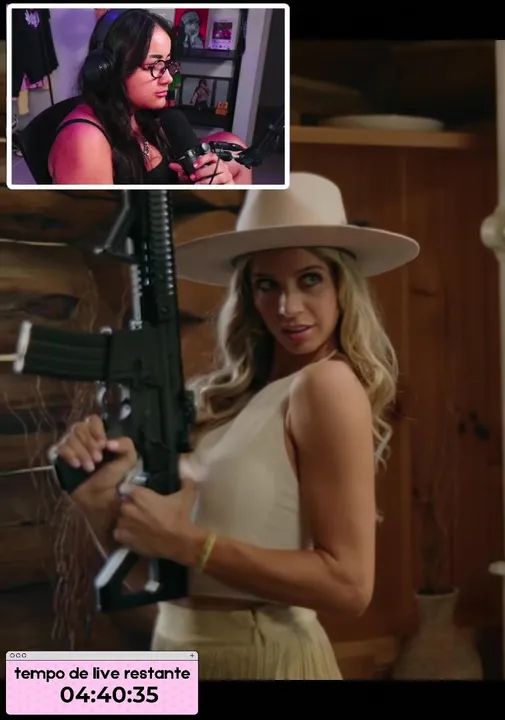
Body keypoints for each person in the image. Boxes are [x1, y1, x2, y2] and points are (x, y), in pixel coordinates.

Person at [52, 174, 419, 678]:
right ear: (248, 292)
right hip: (177, 650)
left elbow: (349, 586)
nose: (288, 307)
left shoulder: (325, 385)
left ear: (342, 286)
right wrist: (98, 499)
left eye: (310, 279)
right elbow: (155, 579)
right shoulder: (224, 402)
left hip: (264, 656)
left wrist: (189, 543)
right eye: (267, 285)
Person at [46, 8, 250, 185]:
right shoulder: (85, 140)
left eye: (167, 63)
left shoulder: (138, 112)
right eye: (154, 66)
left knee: (237, 151)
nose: (168, 78)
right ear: (109, 69)